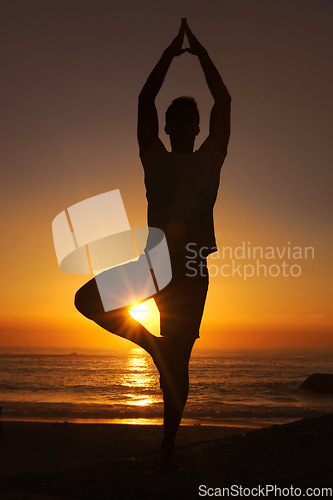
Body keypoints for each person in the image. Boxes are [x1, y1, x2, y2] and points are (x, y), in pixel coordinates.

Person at [74, 18, 231, 464]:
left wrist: (200, 54)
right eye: (175, 119)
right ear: (166, 128)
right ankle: (150, 344)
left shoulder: (211, 160)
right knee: (87, 300)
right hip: (155, 264)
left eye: (189, 119)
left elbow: (224, 100)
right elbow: (145, 100)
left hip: (194, 269)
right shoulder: (155, 159)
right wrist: (167, 55)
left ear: (198, 128)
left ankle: (168, 445)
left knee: (177, 369)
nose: (182, 123)